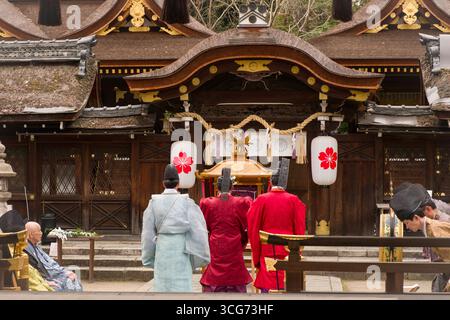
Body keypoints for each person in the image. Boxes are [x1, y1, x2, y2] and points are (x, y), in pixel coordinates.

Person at [141, 164, 210, 292]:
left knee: (162, 287)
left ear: (163, 184)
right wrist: (199, 257)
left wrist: (149, 258)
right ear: (178, 184)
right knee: (181, 287)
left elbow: (147, 234)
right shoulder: (187, 202)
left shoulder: (153, 203)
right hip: (181, 249)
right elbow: (199, 231)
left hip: (162, 248)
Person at [247, 159, 306, 292]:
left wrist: (256, 255)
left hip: (267, 248)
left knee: (268, 282)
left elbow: (253, 227)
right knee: (288, 282)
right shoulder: (294, 200)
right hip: (289, 250)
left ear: (271, 182)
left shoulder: (261, 200)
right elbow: (300, 228)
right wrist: (298, 251)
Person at [199, 168, 253, 293]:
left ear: (217, 188)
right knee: (235, 271)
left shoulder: (208, 203)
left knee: (215, 269)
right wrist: (243, 241)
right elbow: (246, 226)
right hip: (234, 243)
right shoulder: (241, 203)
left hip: (216, 242)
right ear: (232, 188)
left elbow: (204, 227)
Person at [390, 183, 450, 292]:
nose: (407, 226)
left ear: (417, 218)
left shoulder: (436, 226)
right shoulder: (428, 226)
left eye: (407, 223)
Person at [24, 221, 82, 292]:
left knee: (75, 280)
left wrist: (64, 271)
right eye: (39, 231)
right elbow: (45, 268)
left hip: (54, 273)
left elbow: (50, 262)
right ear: (31, 234)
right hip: (48, 276)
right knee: (69, 282)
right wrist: (64, 273)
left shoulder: (36, 246)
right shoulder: (28, 249)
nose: (41, 233)